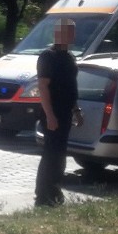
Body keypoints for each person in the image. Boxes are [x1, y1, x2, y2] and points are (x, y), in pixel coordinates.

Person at [34, 18, 83, 207]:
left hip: (66, 111)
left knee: (60, 155)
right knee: (51, 154)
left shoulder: (69, 57)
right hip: (52, 112)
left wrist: (76, 110)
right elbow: (43, 88)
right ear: (58, 33)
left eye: (72, 31)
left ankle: (54, 191)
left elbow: (71, 86)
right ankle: (43, 194)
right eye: (68, 31)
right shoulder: (48, 56)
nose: (71, 35)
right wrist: (50, 115)